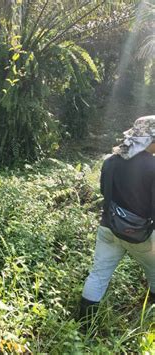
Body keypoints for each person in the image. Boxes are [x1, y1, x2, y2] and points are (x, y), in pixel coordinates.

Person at [80, 115, 155, 324]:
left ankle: (84, 327)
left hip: (108, 228)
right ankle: (148, 319)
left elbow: (105, 191)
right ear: (150, 140)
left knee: (98, 275)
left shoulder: (111, 160)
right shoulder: (153, 166)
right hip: (141, 235)